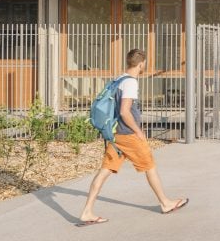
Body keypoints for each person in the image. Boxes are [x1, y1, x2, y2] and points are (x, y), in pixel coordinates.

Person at [78, 49, 188, 227]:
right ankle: (165, 203)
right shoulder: (130, 83)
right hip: (128, 135)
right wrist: (139, 132)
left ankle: (87, 211)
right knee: (149, 166)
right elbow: (124, 111)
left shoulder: (119, 79)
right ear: (141, 64)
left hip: (115, 135)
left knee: (105, 170)